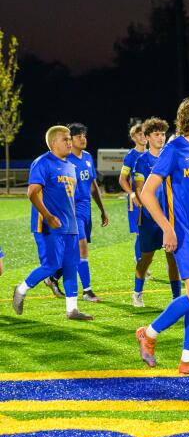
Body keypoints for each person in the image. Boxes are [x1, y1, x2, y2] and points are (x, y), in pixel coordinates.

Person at [135, 97, 189, 376]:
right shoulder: (174, 149)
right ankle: (148, 333)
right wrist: (167, 228)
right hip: (184, 235)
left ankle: (188, 360)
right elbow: (147, 193)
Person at [12, 126, 93, 321]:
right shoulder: (42, 162)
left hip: (70, 225)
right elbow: (32, 192)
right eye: (66, 139)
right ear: (53, 142)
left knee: (71, 266)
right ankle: (21, 289)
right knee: (51, 265)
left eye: (70, 139)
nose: (70, 142)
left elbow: (70, 198)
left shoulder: (71, 166)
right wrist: (48, 216)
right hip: (48, 226)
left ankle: (72, 310)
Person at [132, 117, 181, 307]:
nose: (161, 138)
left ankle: (176, 298)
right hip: (149, 218)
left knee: (172, 257)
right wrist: (142, 201)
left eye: (162, 134)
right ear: (147, 137)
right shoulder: (142, 161)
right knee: (147, 257)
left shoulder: (169, 157)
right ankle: (137, 292)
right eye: (156, 134)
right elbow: (139, 187)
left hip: (169, 216)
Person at [67, 123, 109, 301]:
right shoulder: (65, 159)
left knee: (74, 250)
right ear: (70, 140)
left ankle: (52, 278)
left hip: (86, 209)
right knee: (82, 247)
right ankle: (87, 291)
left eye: (84, 135)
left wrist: (102, 209)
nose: (83, 139)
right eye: (79, 136)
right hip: (72, 210)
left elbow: (93, 186)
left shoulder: (88, 157)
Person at [119, 123, 147, 264]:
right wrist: (132, 194)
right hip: (137, 201)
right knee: (140, 233)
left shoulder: (152, 154)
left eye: (144, 133)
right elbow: (122, 179)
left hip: (152, 199)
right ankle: (140, 262)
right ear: (134, 137)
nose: (143, 136)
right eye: (139, 134)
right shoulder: (131, 156)